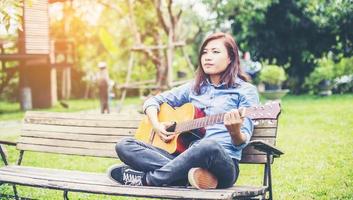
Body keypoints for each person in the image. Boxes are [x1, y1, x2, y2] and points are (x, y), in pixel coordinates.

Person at [107, 32, 259, 189]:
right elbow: (152, 101)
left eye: (215, 52)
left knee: (207, 146)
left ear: (230, 58)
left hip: (224, 165)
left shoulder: (245, 91)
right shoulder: (194, 88)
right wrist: (157, 125)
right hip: (184, 159)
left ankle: (149, 180)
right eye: (204, 52)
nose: (207, 57)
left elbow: (243, 139)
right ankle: (189, 177)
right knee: (124, 145)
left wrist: (235, 132)